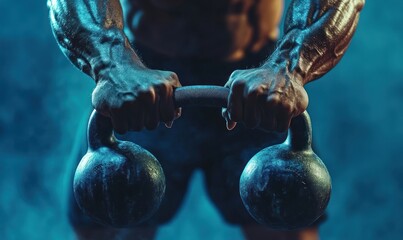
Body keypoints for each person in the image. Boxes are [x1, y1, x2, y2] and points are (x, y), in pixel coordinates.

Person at [48, 0, 364, 239]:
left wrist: (291, 65)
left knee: (287, 226)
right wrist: (113, 66)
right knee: (109, 226)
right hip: (144, 82)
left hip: (260, 82)